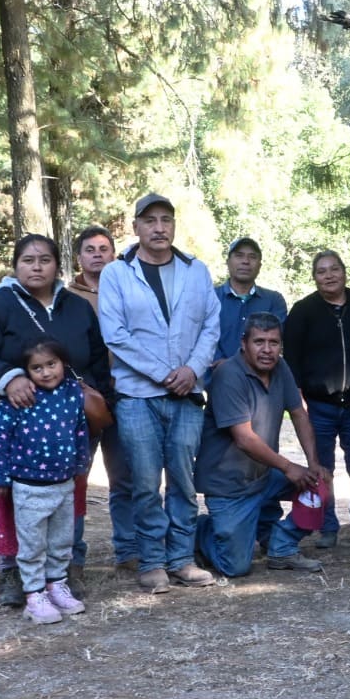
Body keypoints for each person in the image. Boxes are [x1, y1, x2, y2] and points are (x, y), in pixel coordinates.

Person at [0, 234, 111, 606]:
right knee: (13, 499)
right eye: (28, 260)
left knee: (67, 496)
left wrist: (95, 398)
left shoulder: (77, 307)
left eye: (45, 259)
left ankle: (64, 569)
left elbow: (96, 358)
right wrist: (8, 377)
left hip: (67, 427)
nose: (37, 267)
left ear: (57, 265)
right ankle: (14, 571)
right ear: (15, 266)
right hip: (12, 427)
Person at [99, 193, 224, 594]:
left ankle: (182, 559)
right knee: (145, 480)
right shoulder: (117, 274)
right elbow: (115, 334)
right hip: (137, 395)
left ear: (173, 225)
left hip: (187, 394)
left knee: (184, 479)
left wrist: (192, 369)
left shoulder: (195, 271)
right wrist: (164, 374)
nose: (158, 227)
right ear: (136, 226)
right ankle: (152, 561)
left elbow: (212, 325)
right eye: (149, 220)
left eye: (165, 220)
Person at [194, 314, 330, 576]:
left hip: (264, 475)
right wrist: (289, 467)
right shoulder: (228, 374)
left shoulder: (281, 367)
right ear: (243, 343)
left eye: (274, 343)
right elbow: (244, 439)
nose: (267, 350)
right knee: (235, 567)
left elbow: (299, 414)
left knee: (320, 482)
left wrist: (313, 463)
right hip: (230, 485)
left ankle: (282, 547)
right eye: (259, 342)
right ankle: (201, 530)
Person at [0, 339, 92, 624]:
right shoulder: (19, 396)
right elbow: (1, 436)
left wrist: (81, 462)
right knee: (32, 544)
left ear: (63, 363)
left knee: (61, 540)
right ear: (26, 371)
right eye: (37, 368)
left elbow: (80, 428)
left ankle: (56, 585)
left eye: (51, 364)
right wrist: (0, 474)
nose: (46, 372)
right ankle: (34, 595)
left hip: (64, 483)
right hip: (29, 486)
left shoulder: (72, 392)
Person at [284, 250, 350, 546]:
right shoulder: (303, 310)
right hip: (319, 404)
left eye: (334, 269)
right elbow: (292, 360)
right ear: (314, 277)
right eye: (322, 271)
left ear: (344, 272)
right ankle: (328, 527)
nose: (329, 276)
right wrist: (298, 398)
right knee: (322, 468)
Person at [67, 226, 137, 576]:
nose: (97, 255)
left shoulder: (128, 290)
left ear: (114, 254)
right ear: (78, 257)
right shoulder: (67, 299)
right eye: (90, 249)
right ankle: (71, 556)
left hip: (125, 393)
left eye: (104, 248)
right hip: (84, 398)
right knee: (75, 477)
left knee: (125, 476)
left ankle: (129, 548)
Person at [213, 236, 288, 367]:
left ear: (260, 265)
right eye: (239, 256)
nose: (245, 261)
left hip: (261, 376)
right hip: (216, 374)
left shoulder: (274, 300)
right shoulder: (211, 298)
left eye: (252, 257)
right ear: (228, 262)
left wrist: (236, 366)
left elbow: (274, 341)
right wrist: (225, 366)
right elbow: (202, 336)